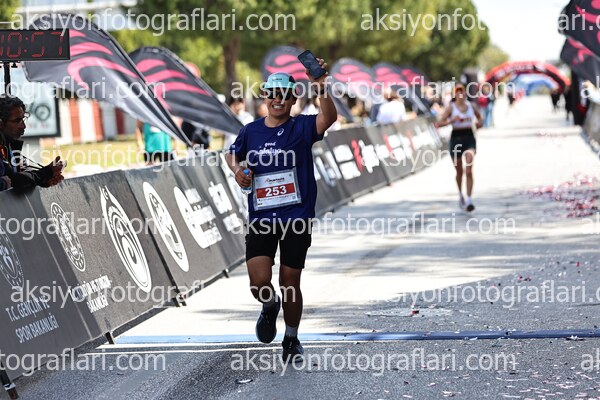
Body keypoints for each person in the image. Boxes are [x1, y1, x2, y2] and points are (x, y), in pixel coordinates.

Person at [225, 60, 337, 363]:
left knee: (290, 281)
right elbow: (232, 154)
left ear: (293, 99)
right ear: (265, 96)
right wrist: (238, 172)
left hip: (296, 218)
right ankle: (269, 304)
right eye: (272, 94)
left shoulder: (301, 127)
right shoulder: (250, 131)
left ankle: (290, 338)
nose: (278, 100)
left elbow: (328, 117)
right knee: (258, 281)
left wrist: (321, 86)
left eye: (285, 95)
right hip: (262, 218)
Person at [435, 84, 482, 212]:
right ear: (454, 94)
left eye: (462, 92)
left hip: (469, 136)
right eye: (458, 92)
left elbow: (480, 118)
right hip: (456, 138)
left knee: (469, 169)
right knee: (459, 171)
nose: (460, 94)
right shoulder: (451, 108)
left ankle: (469, 200)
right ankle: (460, 194)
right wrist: (451, 120)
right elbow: (439, 123)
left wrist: (479, 124)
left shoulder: (472, 106)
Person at [0, 95, 64, 190]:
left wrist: (44, 181)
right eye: (17, 121)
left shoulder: (9, 146)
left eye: (23, 119)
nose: (23, 126)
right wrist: (46, 173)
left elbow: (21, 177)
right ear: (1, 123)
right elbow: (14, 180)